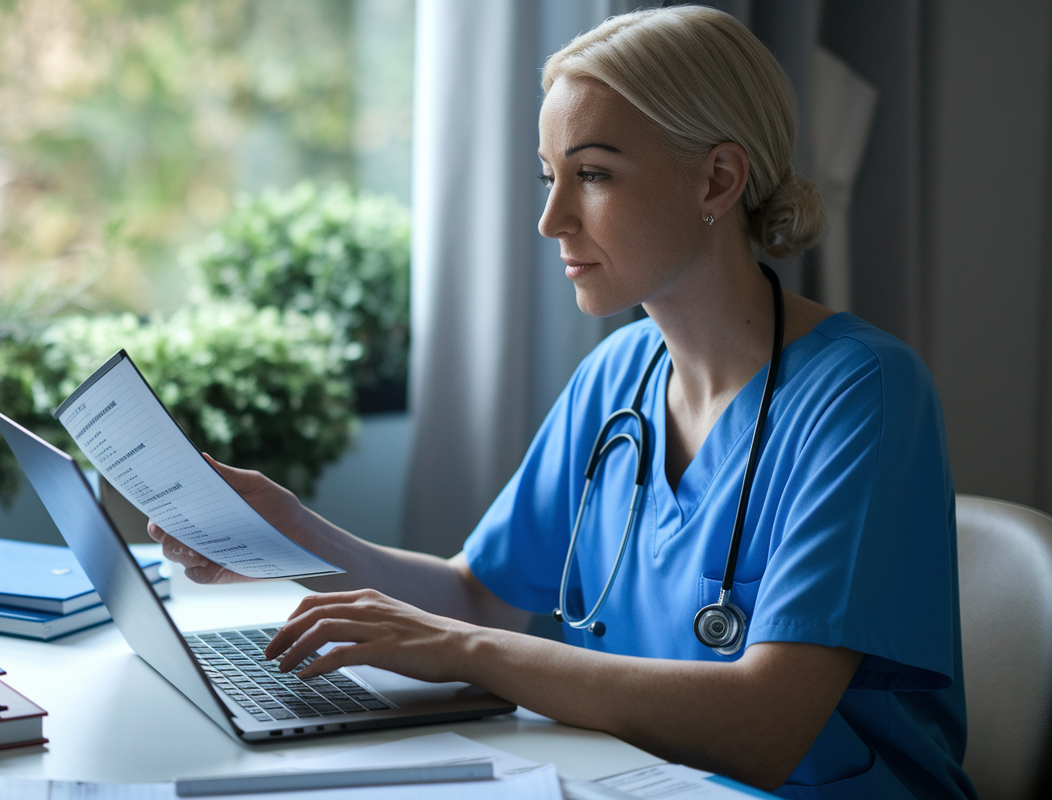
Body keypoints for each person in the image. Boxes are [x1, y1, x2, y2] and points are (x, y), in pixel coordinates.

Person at [149, 7, 974, 798]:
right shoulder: (618, 377)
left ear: (717, 178)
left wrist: (466, 651)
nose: (551, 219)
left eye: (594, 175)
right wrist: (295, 532)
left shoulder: (863, 395)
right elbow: (479, 593)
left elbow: (763, 726)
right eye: (550, 177)